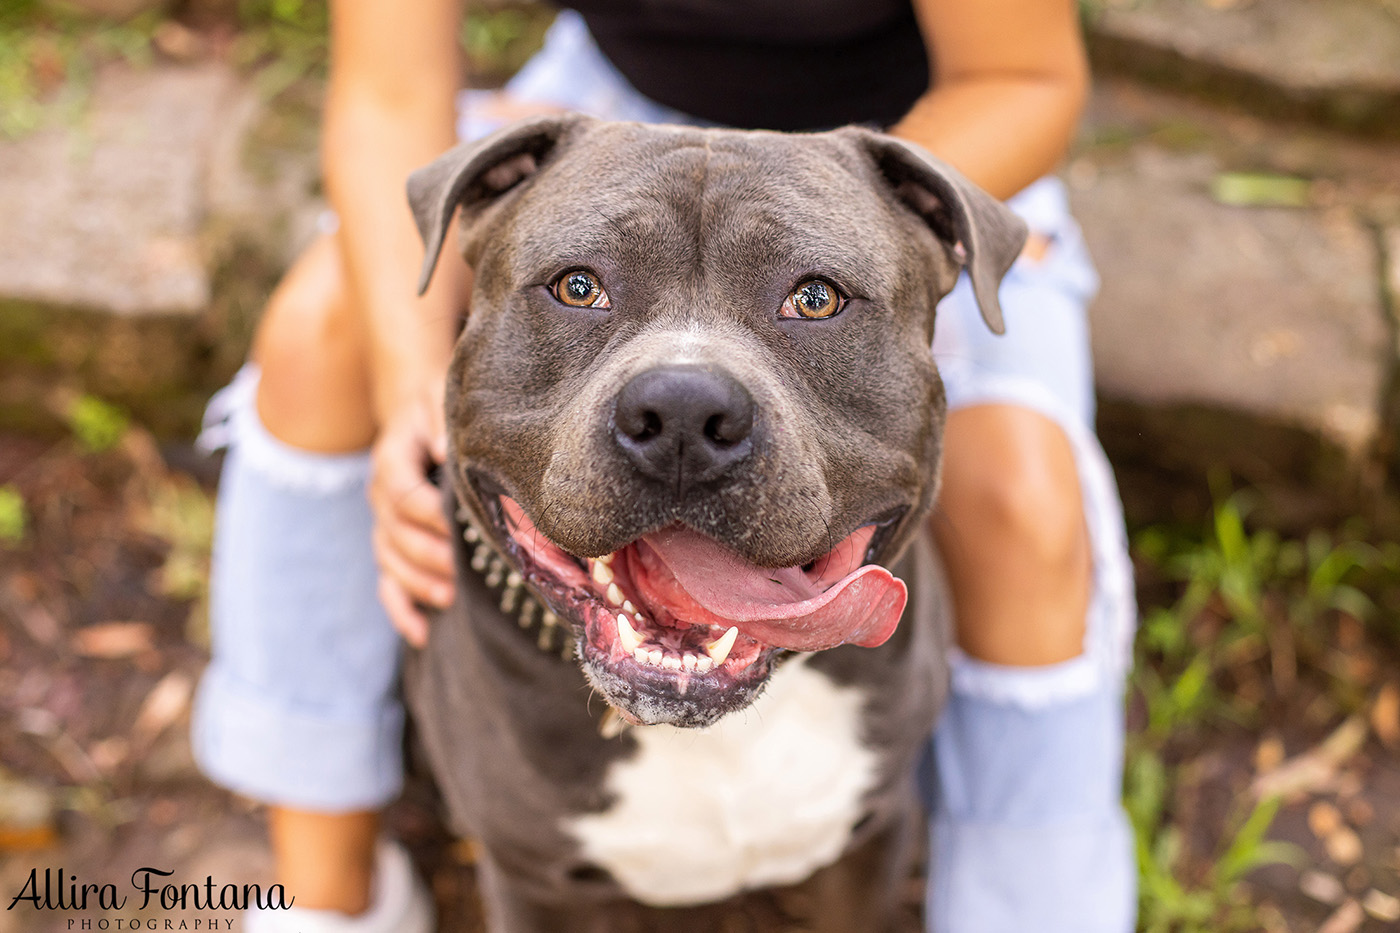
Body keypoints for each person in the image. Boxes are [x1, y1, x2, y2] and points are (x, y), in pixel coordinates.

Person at [190, 1, 1138, 930]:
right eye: (577, 290)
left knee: (1020, 502)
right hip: (602, 125)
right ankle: (328, 890)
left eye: (813, 302)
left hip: (916, 151)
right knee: (319, 339)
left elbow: (1025, 77)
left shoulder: (894, 198)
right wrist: (409, 386)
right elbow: (388, 90)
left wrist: (856, 228)